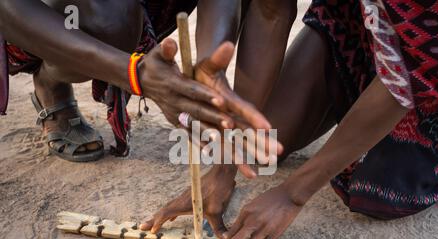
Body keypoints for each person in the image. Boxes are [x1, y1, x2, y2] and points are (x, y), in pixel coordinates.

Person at [142, 0, 438, 239]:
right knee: (263, 145)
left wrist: (292, 195)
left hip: (430, 58)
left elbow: (407, 76)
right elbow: (270, 10)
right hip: (359, 19)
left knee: (380, 192)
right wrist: (225, 165)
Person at [0, 0, 273, 163]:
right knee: (109, 20)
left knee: (284, 140)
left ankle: (120, 41)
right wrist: (135, 72)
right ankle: (51, 83)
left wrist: (208, 73)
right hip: (41, 12)